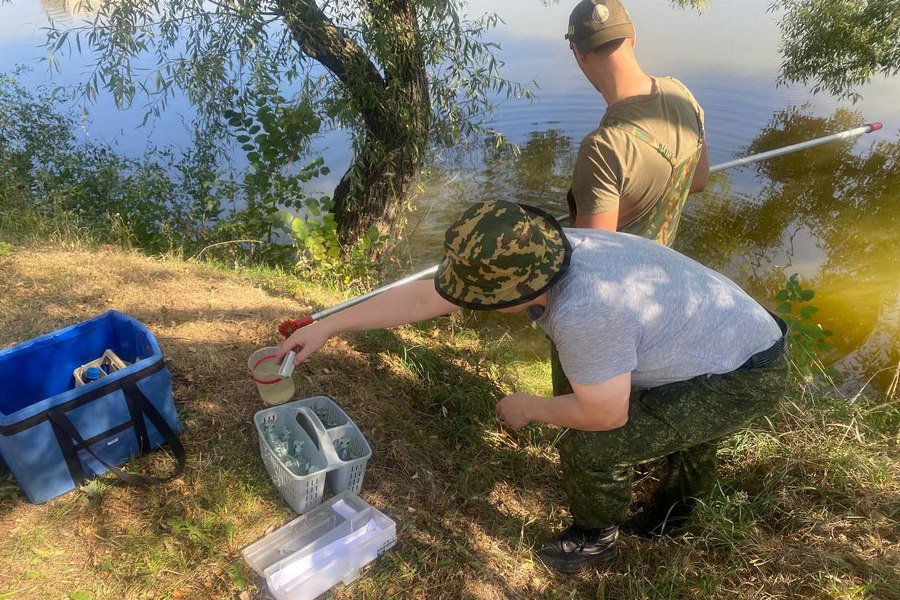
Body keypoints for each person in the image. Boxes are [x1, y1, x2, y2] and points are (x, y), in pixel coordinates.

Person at [278, 201, 789, 574]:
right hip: (722, 339)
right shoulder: (546, 252)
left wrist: (530, 407)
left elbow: (606, 417)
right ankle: (676, 501)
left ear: (520, 293)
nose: (468, 305)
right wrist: (329, 325)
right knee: (618, 406)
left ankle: (596, 537)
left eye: (479, 299)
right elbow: (420, 301)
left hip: (739, 377)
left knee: (594, 444)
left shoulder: (587, 312)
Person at [564, 0, 709, 244]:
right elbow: (698, 181)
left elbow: (595, 261)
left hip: (624, 281)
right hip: (664, 267)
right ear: (633, 38)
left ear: (578, 54)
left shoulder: (603, 149)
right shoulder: (682, 93)